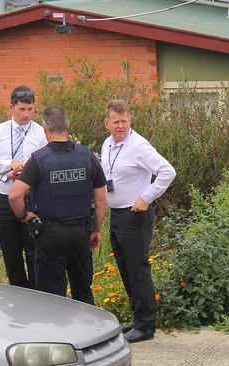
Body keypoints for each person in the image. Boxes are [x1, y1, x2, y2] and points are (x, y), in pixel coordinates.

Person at [8, 106, 107, 305]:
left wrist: (23, 216)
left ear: (45, 127)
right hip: (80, 233)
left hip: (49, 235)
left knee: (52, 298)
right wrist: (96, 230)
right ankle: (90, 333)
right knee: (83, 292)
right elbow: (101, 199)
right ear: (68, 125)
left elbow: (14, 195)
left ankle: (59, 336)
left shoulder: (38, 159)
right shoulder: (87, 155)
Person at [100, 99, 176, 343]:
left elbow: (167, 171)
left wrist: (146, 197)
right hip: (117, 215)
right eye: (116, 122)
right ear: (107, 123)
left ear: (130, 120)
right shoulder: (107, 145)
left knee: (138, 270)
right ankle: (138, 318)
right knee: (125, 268)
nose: (120, 126)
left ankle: (146, 326)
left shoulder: (139, 146)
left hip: (135, 215)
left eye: (124, 121)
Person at [0, 86, 47, 288]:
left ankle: (37, 297)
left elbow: (46, 165)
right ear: (11, 108)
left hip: (31, 200)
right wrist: (8, 165)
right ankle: (19, 294)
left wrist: (27, 171)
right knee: (11, 253)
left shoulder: (40, 133)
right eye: (21, 109)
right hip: (5, 198)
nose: (26, 114)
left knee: (35, 252)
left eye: (30, 109)